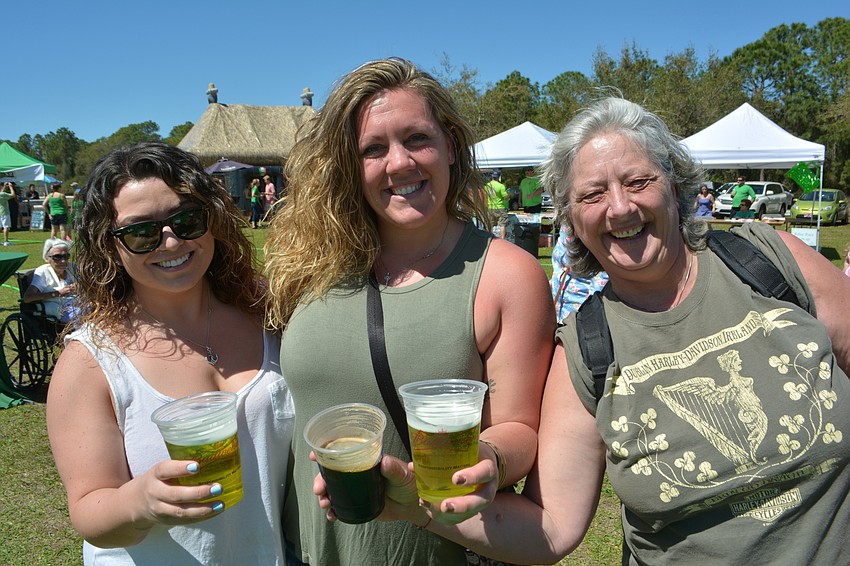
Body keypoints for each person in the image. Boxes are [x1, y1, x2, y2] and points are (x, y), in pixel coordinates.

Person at [381, 97, 850, 565]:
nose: (620, 208)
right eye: (593, 194)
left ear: (674, 184)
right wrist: (418, 507)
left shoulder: (770, 260)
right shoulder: (585, 351)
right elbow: (552, 526)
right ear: (572, 222)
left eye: (638, 181)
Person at [264, 57, 555, 566]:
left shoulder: (506, 275)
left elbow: (520, 431)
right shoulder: (308, 264)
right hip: (300, 551)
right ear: (348, 166)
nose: (398, 163)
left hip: (431, 550)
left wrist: (484, 460)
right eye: (373, 149)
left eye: (416, 138)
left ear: (449, 146)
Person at [46, 142, 294, 565]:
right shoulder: (90, 361)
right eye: (141, 232)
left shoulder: (269, 315)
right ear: (110, 246)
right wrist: (141, 502)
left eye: (187, 218)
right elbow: (89, 509)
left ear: (211, 220)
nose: (171, 240)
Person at [550, 225, 608, 323]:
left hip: (585, 320)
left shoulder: (597, 232)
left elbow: (601, 279)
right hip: (557, 315)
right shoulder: (566, 227)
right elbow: (558, 267)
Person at [23, 238, 77, 324]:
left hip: (78, 305)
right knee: (85, 318)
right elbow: (28, 297)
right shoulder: (43, 272)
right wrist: (57, 293)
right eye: (57, 257)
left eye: (66, 256)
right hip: (57, 309)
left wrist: (81, 287)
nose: (63, 261)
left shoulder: (72, 267)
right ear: (47, 258)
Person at [484, 170, 510, 238]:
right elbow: (506, 197)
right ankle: (502, 239)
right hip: (499, 207)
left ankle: (488, 238)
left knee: (490, 224)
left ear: (492, 176)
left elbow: (485, 196)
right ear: (499, 177)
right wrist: (509, 196)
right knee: (502, 224)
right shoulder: (501, 186)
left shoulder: (487, 185)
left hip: (490, 207)